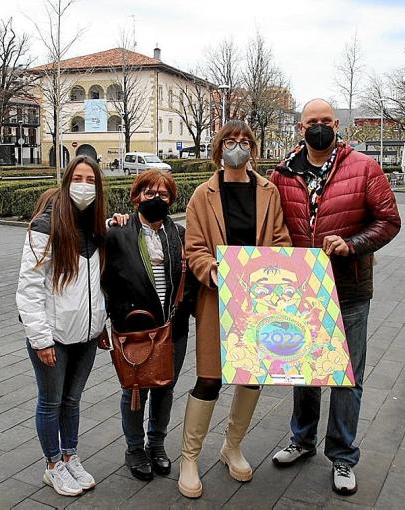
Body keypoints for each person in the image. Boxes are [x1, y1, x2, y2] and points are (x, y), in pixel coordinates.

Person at [269, 98, 401, 495]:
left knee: (347, 377)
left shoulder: (364, 168)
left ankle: (343, 456)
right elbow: (270, 226)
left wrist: (352, 243)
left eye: (327, 120)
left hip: (349, 290)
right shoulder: (282, 173)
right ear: (300, 128)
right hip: (302, 291)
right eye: (312, 121)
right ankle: (302, 440)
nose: (320, 126)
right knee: (303, 370)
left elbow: (389, 221)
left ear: (337, 125)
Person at [179, 120, 291, 498]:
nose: (238, 147)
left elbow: (280, 240)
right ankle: (190, 458)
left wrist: (273, 268)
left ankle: (232, 445)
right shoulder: (202, 195)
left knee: (251, 375)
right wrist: (211, 270)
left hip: (259, 300)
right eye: (231, 141)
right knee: (209, 378)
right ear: (219, 148)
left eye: (245, 141)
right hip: (216, 296)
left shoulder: (269, 192)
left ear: (253, 149)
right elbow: (193, 247)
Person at [16, 155, 107, 497]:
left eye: (91, 180)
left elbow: (99, 283)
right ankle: (52, 465)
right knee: (51, 401)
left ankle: (70, 455)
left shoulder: (97, 227)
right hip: (53, 335)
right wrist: (40, 339)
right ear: (67, 180)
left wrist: (100, 323)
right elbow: (29, 287)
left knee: (73, 399)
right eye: (78, 178)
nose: (84, 185)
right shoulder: (46, 224)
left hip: (86, 335)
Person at [102, 169, 192, 482]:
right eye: (149, 192)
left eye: (163, 194)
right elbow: (103, 277)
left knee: (165, 388)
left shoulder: (178, 234)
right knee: (135, 390)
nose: (155, 198)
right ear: (137, 196)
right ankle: (133, 448)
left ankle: (156, 444)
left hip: (173, 328)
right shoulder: (119, 232)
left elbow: (188, 279)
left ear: (172, 200)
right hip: (135, 329)